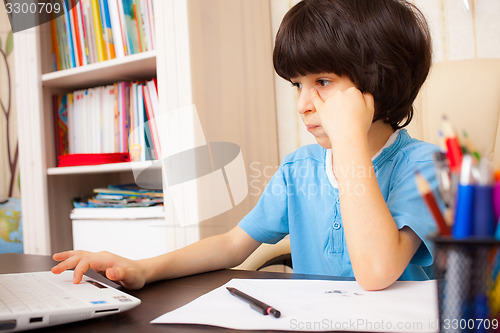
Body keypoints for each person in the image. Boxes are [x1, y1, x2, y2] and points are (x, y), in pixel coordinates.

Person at [52, 0, 439, 291]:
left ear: (379, 80)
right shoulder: (298, 167)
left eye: (322, 82)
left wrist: (350, 140)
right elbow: (233, 244)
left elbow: (376, 272)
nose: (303, 105)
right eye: (297, 85)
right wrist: (143, 267)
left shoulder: (425, 167)